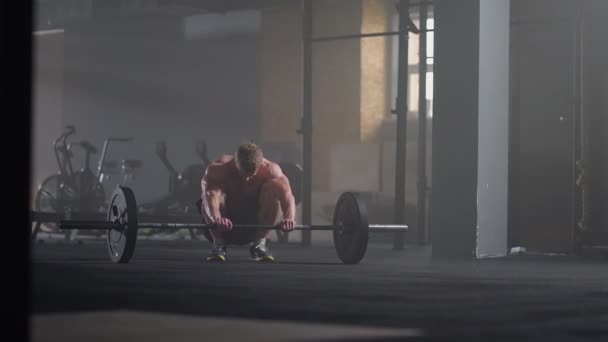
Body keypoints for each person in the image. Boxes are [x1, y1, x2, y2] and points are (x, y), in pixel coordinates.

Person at [199, 142, 296, 262]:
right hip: (222, 227)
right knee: (210, 197)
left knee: (272, 189)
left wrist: (289, 218)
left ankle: (259, 244)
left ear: (261, 165)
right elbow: (211, 195)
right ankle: (218, 244)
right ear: (236, 162)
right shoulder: (219, 168)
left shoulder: (271, 170)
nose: (246, 179)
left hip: (254, 226)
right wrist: (216, 219)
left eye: (251, 175)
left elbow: (287, 195)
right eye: (242, 173)